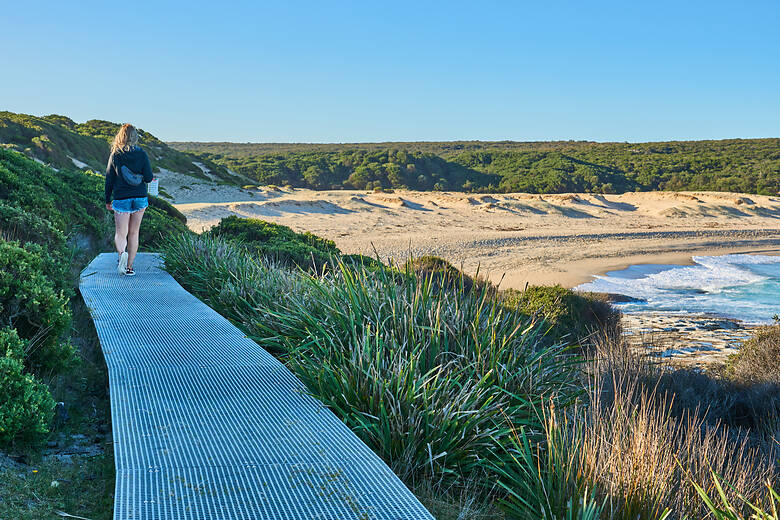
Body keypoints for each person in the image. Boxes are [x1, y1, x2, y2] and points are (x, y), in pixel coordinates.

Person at [104, 124, 153, 276]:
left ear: (120, 136)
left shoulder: (116, 155)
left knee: (121, 233)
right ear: (135, 137)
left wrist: (107, 199)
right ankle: (130, 267)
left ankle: (121, 256)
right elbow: (149, 178)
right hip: (139, 198)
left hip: (121, 198)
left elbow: (109, 179)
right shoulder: (142, 154)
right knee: (134, 233)